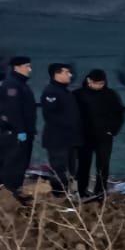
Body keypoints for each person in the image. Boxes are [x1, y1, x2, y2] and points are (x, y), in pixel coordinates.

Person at [74, 69, 125, 197]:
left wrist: (112, 131)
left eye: (101, 83)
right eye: (96, 83)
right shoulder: (77, 95)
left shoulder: (111, 95)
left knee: (103, 165)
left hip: (104, 136)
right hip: (84, 135)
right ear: (88, 80)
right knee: (83, 165)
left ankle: (100, 190)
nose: (99, 86)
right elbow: (71, 115)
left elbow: (119, 114)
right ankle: (82, 190)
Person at [40, 63, 83, 196]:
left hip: (70, 139)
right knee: (59, 170)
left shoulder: (66, 92)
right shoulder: (51, 92)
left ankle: (69, 193)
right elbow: (50, 116)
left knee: (71, 169)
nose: (70, 75)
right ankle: (59, 195)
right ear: (57, 74)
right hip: (57, 139)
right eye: (66, 72)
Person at [0, 55, 37, 197]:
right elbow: (13, 110)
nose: (30, 69)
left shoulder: (20, 84)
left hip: (24, 131)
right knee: (14, 163)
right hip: (15, 133)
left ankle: (14, 189)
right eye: (27, 66)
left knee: (20, 163)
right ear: (17, 67)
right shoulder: (12, 85)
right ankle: (11, 192)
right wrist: (21, 130)